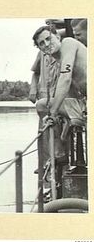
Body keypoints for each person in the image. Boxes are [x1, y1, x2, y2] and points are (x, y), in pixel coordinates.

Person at [32, 25, 87, 167]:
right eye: (41, 44)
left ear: (57, 37)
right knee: (42, 104)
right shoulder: (58, 61)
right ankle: (60, 154)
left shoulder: (68, 44)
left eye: (48, 39)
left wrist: (53, 113)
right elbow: (72, 92)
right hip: (85, 106)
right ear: (41, 50)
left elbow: (66, 79)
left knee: (49, 107)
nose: (46, 44)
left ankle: (62, 153)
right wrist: (65, 122)